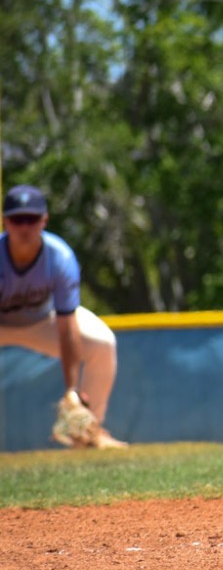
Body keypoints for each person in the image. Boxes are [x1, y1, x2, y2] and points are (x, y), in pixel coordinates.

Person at [1, 184, 126, 448]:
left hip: (43, 321)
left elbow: (67, 325)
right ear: (5, 222)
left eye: (31, 219)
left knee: (102, 344)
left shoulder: (59, 257)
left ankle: (90, 433)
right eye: (17, 219)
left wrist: (72, 390)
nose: (24, 226)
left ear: (44, 220)